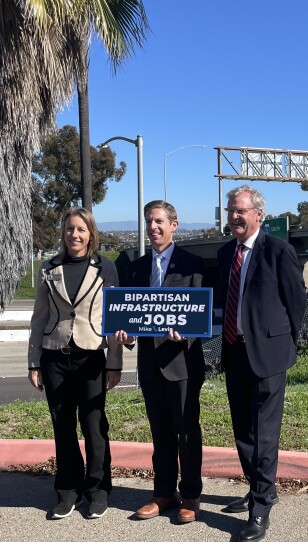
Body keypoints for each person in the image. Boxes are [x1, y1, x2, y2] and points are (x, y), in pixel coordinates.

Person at [217, 185, 306, 541]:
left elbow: (296, 303)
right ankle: (261, 490)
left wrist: (285, 343)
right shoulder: (226, 254)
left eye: (241, 210)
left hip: (268, 355)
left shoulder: (278, 251)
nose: (235, 216)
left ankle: (260, 510)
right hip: (234, 351)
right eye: (230, 210)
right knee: (243, 432)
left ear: (258, 215)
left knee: (264, 434)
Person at [113, 200, 206, 524]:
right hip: (150, 365)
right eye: (149, 222)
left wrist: (188, 334)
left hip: (182, 363)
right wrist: (127, 336)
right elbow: (130, 315)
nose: (153, 227)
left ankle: (191, 496)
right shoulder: (135, 267)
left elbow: (203, 316)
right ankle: (164, 492)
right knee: (160, 433)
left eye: (159, 222)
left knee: (186, 433)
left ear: (174, 225)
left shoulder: (193, 265)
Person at [28, 208, 122, 520]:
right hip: (54, 355)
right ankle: (67, 490)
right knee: (62, 425)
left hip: (91, 356)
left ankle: (97, 489)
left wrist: (115, 363)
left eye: (81, 229)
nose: (75, 235)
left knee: (94, 426)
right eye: (70, 229)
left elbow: (115, 318)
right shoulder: (49, 267)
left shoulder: (105, 268)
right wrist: (34, 362)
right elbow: (39, 317)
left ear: (91, 234)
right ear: (63, 233)